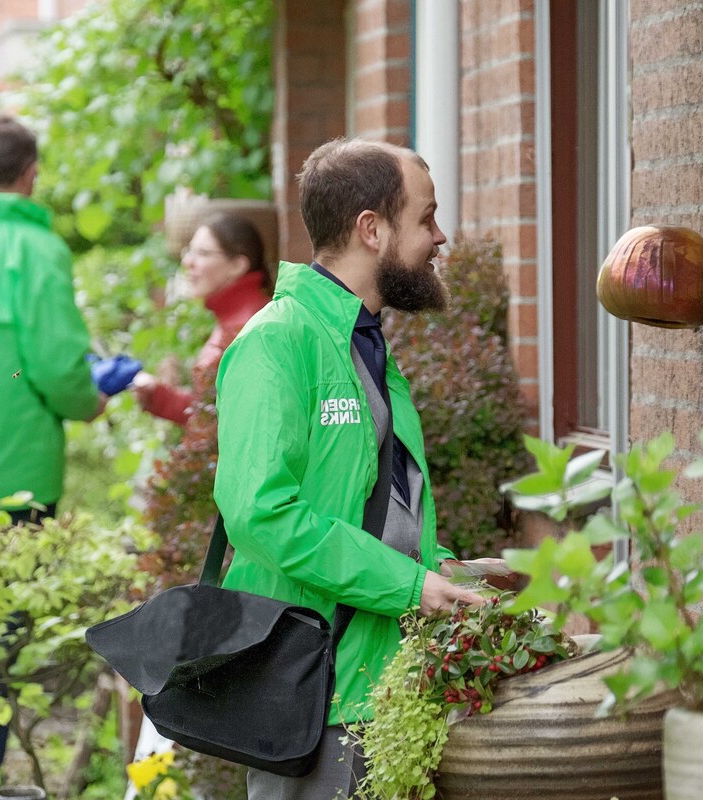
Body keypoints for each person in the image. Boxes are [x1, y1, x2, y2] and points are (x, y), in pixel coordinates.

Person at [213, 138, 488, 800]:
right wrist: (409, 586)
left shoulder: (363, 344)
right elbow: (259, 513)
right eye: (425, 218)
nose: (440, 236)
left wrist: (438, 567)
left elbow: (374, 505)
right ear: (372, 229)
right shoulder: (280, 340)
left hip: (377, 691)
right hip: (315, 698)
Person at [0, 114, 106, 800]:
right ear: (29, 173)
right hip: (6, 483)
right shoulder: (35, 251)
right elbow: (58, 372)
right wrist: (91, 398)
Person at [132, 213, 272, 425]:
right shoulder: (236, 317)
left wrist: (161, 396)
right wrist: (157, 394)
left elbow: (222, 424)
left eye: (203, 253)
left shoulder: (247, 326)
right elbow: (212, 414)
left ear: (237, 265)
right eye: (189, 251)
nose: (188, 262)